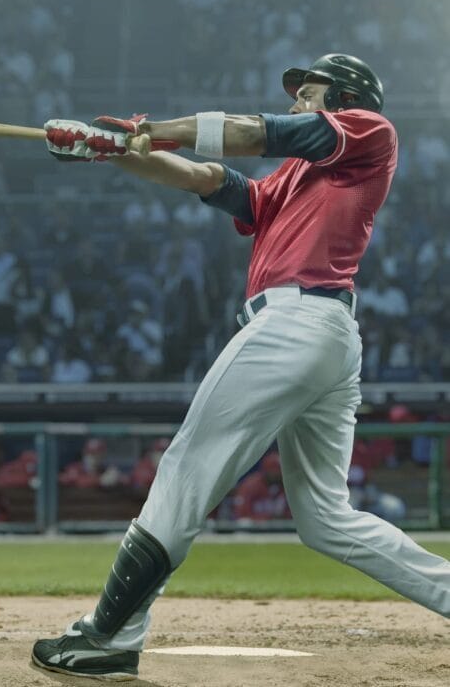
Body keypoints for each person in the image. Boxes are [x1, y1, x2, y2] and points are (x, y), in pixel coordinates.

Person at [32, 54, 450, 681]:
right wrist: (115, 151)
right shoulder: (294, 178)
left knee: (186, 468)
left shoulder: (369, 130)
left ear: (344, 97)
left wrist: (153, 129)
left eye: (308, 94)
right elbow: (208, 178)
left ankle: (112, 636)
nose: (297, 104)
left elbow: (256, 133)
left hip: (295, 324)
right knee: (326, 519)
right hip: (320, 334)